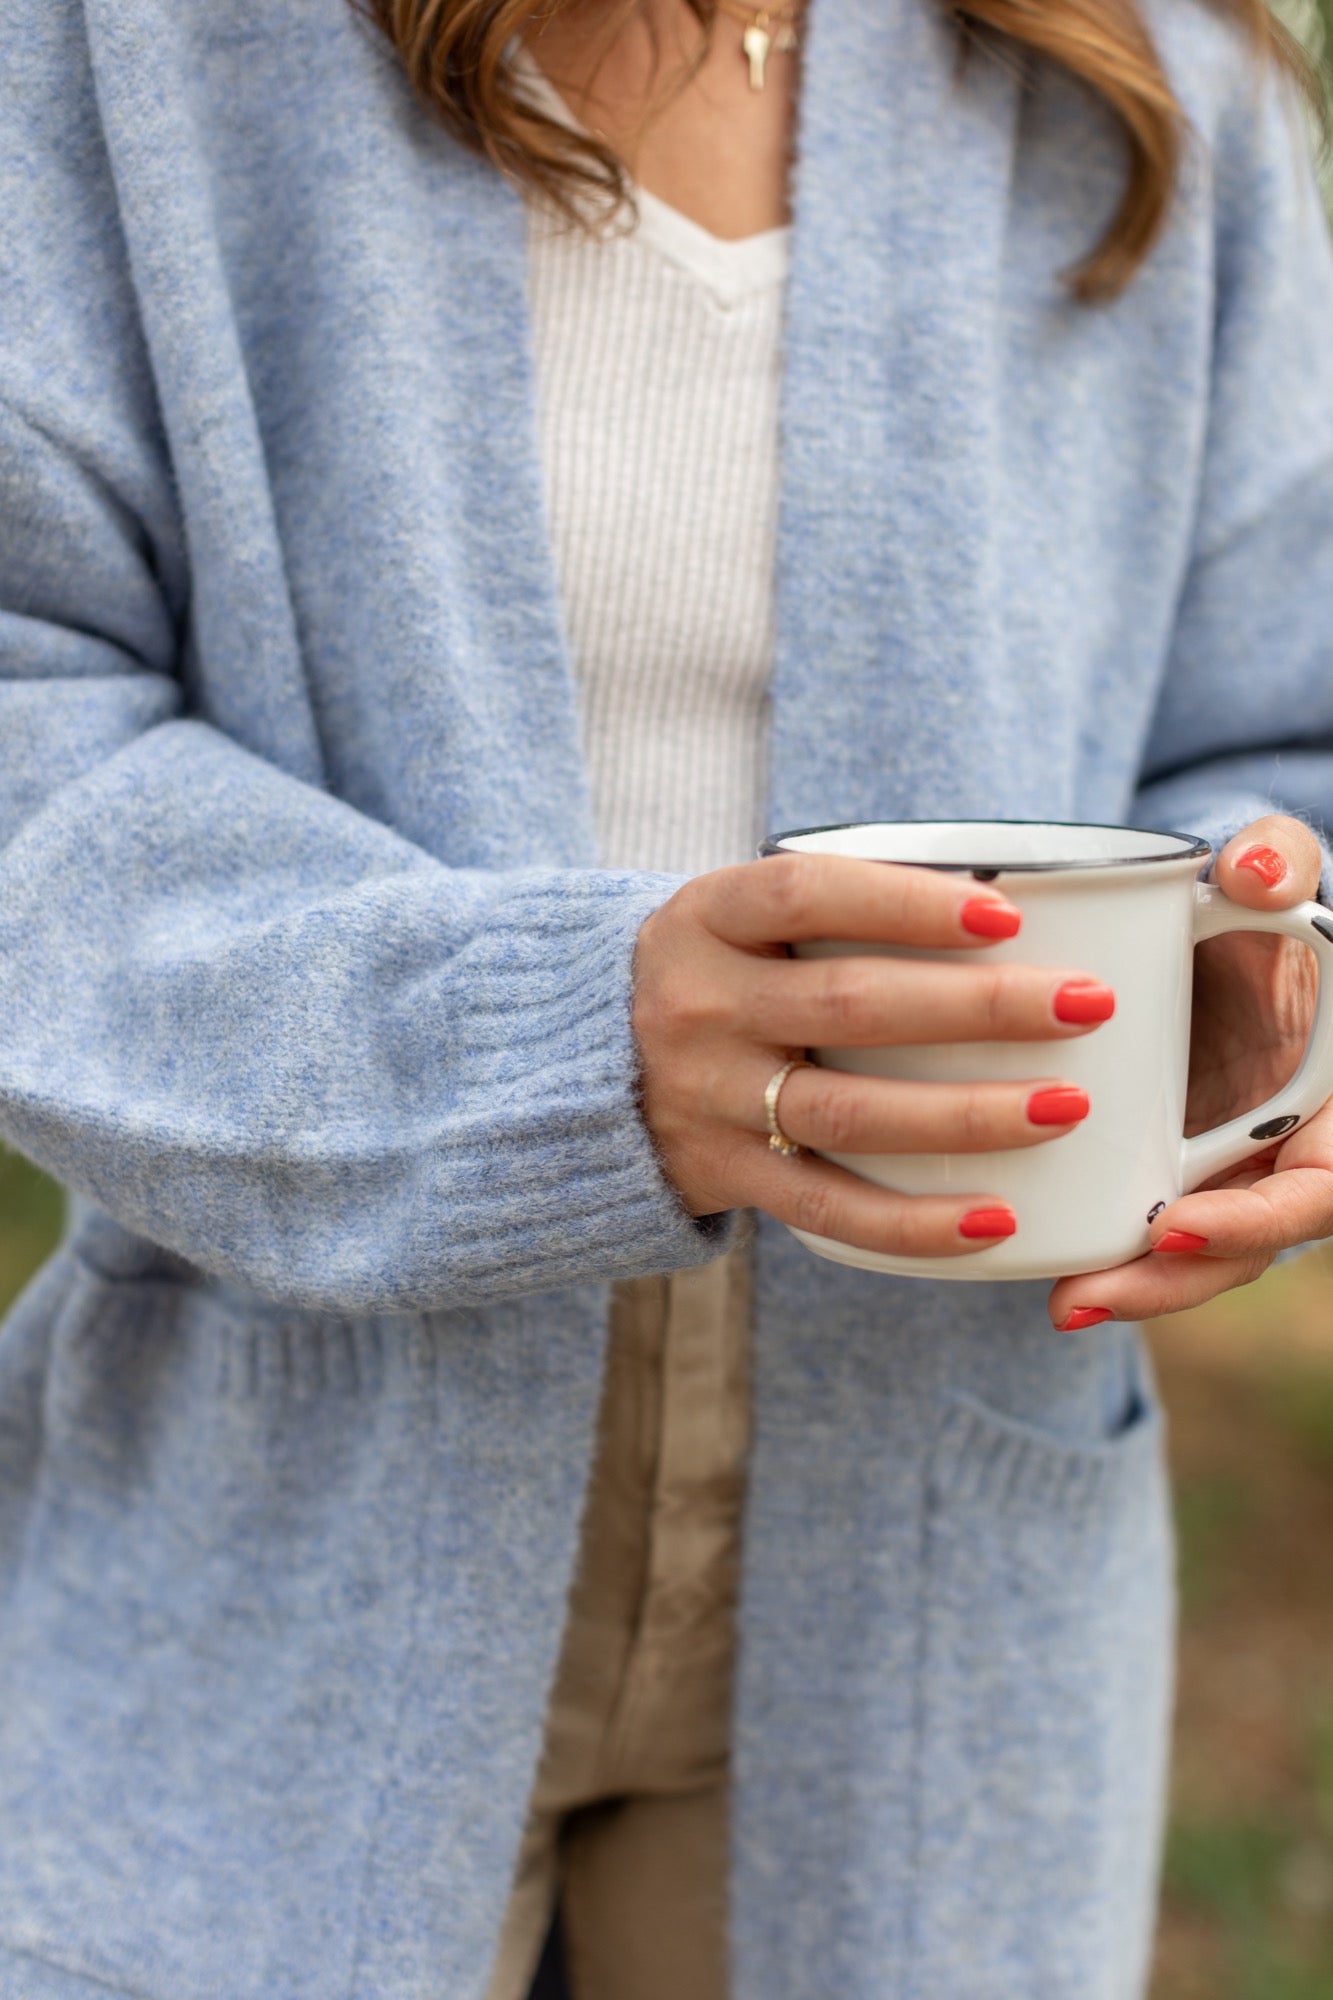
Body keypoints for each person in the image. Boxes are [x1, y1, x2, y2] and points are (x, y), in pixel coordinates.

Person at [0, 0, 1331, 1993]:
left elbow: (1286, 736)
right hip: (270, 1508)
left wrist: (1283, 1003)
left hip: (944, 1542)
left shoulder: (1151, 79)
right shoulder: (124, 51)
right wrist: (564, 1045)